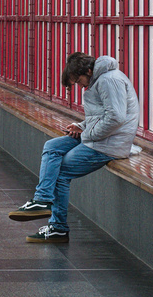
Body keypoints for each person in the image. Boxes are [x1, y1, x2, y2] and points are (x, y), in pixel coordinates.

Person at [8, 52, 139, 244]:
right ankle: (41, 200)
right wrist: (82, 126)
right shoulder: (100, 79)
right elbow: (102, 116)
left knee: (60, 173)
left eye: (79, 81)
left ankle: (58, 228)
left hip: (109, 144)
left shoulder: (109, 81)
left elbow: (116, 118)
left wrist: (87, 133)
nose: (81, 86)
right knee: (52, 146)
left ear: (88, 70)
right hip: (98, 137)